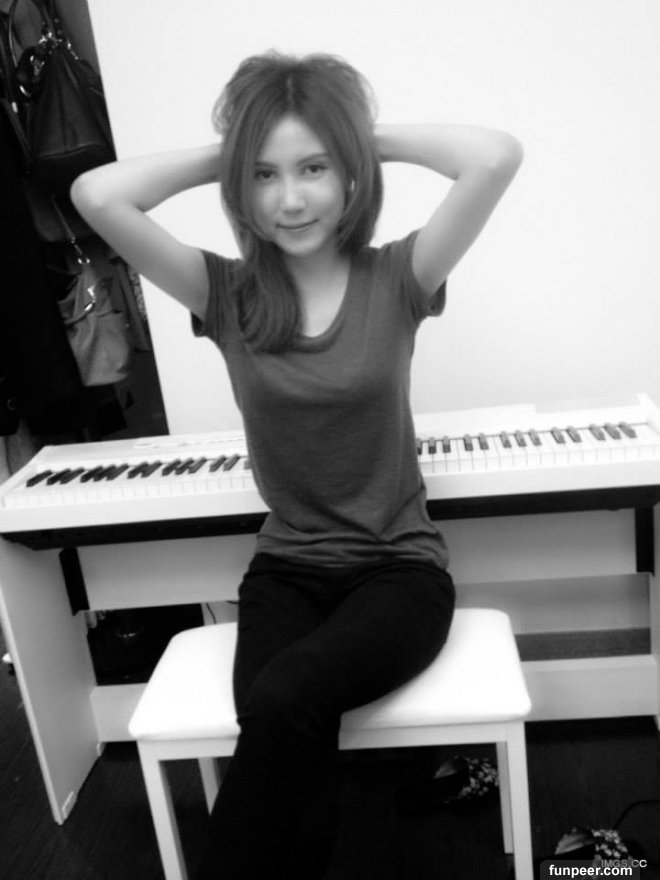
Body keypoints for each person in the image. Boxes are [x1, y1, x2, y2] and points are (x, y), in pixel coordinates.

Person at [71, 51, 523, 880]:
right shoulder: (225, 294)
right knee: (283, 723)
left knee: (284, 701)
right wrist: (234, 149)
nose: (289, 198)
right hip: (286, 572)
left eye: (314, 168)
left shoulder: (401, 277)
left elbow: (494, 156)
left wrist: (356, 137)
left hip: (399, 571)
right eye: (264, 175)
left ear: (348, 174)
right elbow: (97, 196)